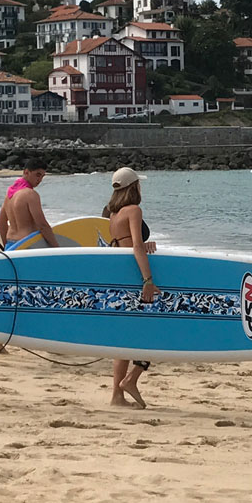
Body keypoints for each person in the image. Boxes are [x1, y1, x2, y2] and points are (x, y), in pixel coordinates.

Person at [0, 159, 60, 353]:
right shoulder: (30, 195)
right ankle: (50, 340)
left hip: (12, 246)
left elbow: (1, 221)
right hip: (28, 249)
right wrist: (57, 249)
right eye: (37, 174)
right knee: (42, 293)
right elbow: (42, 224)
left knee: (12, 294)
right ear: (26, 172)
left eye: (43, 176)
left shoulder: (11, 193)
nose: (40, 179)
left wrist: (7, 246)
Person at [106, 167, 159, 408]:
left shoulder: (113, 214)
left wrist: (144, 246)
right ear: (133, 187)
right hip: (136, 278)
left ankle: (117, 396)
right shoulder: (134, 210)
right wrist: (148, 280)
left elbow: (123, 245)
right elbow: (135, 246)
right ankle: (131, 379)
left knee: (124, 337)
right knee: (152, 332)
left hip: (121, 277)